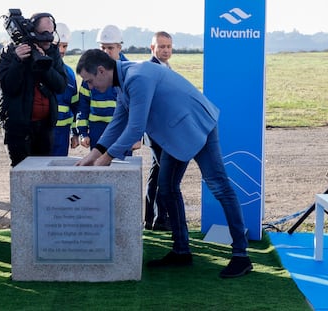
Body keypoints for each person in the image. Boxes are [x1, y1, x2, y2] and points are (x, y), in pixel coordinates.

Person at [74, 49, 253, 278]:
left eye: (89, 81)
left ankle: (241, 256)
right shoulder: (122, 82)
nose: (89, 87)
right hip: (175, 133)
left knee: (219, 187)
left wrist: (107, 159)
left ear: (101, 71)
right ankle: (181, 251)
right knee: (166, 189)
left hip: (198, 125)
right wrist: (92, 156)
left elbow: (136, 128)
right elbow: (119, 121)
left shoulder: (137, 77)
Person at [0, 12, 68, 167]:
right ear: (32, 32)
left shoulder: (52, 52)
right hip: (18, 128)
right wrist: (18, 61)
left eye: (51, 33)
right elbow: (9, 86)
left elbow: (61, 85)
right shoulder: (9, 53)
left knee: (43, 174)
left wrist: (45, 64)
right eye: (44, 33)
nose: (48, 38)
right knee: (21, 173)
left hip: (45, 127)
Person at [75, 25, 137, 155]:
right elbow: (83, 105)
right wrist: (82, 132)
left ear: (119, 48)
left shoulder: (129, 73)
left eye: (110, 48)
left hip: (122, 129)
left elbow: (137, 107)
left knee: (123, 169)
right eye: (103, 47)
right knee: (99, 168)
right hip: (97, 128)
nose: (106, 51)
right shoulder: (90, 72)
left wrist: (137, 136)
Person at [144, 31, 173, 231]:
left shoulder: (166, 67)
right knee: (164, 175)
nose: (165, 50)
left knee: (157, 173)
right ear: (152, 48)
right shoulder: (150, 70)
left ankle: (151, 218)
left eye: (168, 46)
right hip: (157, 132)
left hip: (163, 131)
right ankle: (160, 219)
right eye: (161, 46)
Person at [50, 22, 79, 156]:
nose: (61, 50)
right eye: (58, 45)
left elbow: (74, 105)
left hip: (63, 133)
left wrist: (75, 133)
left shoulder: (70, 73)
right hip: (44, 131)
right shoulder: (39, 70)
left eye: (65, 46)